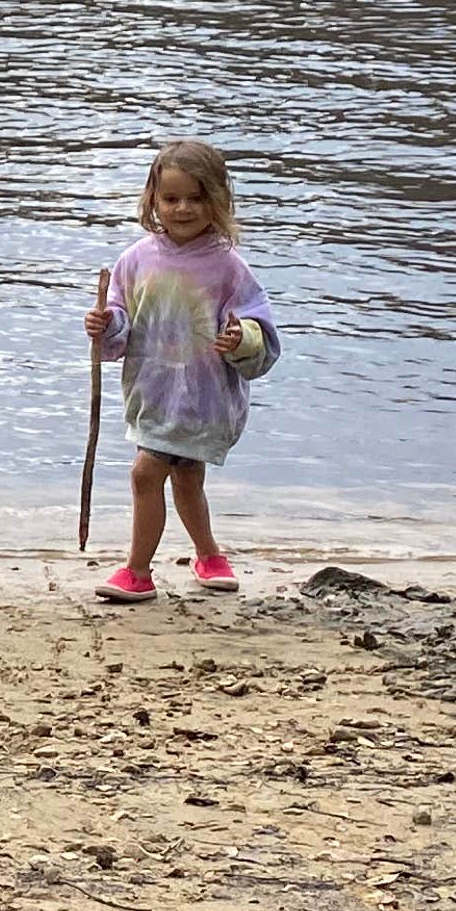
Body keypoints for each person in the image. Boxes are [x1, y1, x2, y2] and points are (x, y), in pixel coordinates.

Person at [84, 140, 280, 602]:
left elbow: (259, 327)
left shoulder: (229, 267)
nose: (183, 208)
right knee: (185, 476)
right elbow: (121, 315)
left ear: (217, 200)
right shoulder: (135, 260)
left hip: (204, 393)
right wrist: (105, 324)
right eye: (171, 198)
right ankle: (209, 555)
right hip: (154, 390)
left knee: (147, 474)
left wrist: (241, 338)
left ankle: (137, 571)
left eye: (196, 197)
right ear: (153, 199)